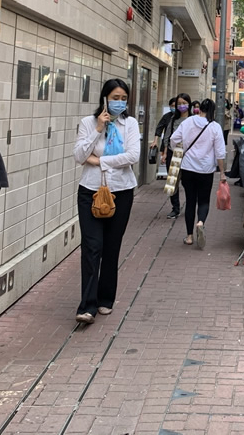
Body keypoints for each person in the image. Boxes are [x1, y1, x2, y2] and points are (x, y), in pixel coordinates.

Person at [72, 79, 140, 324]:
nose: (119, 102)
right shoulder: (88, 123)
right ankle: (87, 306)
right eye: (115, 97)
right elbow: (79, 156)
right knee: (92, 247)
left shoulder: (130, 124)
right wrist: (99, 129)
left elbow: (132, 155)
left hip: (121, 191)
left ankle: (105, 299)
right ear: (104, 98)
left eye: (124, 98)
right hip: (90, 191)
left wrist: (99, 161)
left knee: (111, 247)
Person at [170, 98, 226, 249]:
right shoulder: (215, 127)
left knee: (190, 201)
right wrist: (222, 173)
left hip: (188, 168)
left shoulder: (188, 122)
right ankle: (200, 222)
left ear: (199, 108)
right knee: (203, 201)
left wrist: (179, 149)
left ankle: (189, 237)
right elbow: (220, 153)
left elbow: (173, 139)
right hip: (206, 170)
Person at [160, 93, 192, 218]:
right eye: (179, 103)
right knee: (172, 183)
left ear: (189, 104)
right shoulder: (173, 119)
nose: (181, 106)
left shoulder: (193, 119)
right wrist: (165, 153)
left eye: (184, 103)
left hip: (190, 155)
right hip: (175, 154)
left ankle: (190, 205)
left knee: (188, 182)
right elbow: (167, 137)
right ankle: (175, 208)